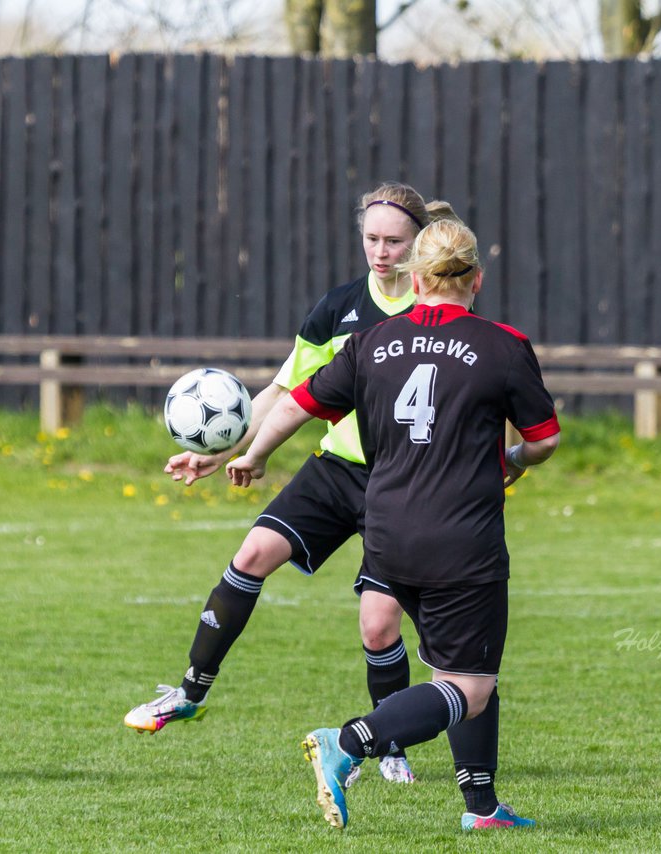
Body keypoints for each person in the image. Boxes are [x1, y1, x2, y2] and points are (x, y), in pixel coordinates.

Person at [225, 218, 560, 831]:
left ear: (415, 276)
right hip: (461, 539)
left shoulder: (371, 342)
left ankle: (482, 809)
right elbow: (545, 439)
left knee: (457, 666)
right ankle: (348, 741)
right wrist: (511, 460)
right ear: (476, 278)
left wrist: (253, 455)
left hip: (385, 534)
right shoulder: (504, 344)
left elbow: (299, 403)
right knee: (472, 683)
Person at [124, 182, 455, 785]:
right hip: (337, 468)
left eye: (395, 242)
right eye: (371, 239)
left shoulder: (438, 312)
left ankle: (388, 745)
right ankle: (189, 694)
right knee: (251, 554)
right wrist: (223, 449)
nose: (381, 253)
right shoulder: (338, 308)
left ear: (420, 242)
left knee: (379, 624)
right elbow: (283, 390)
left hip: (403, 481)